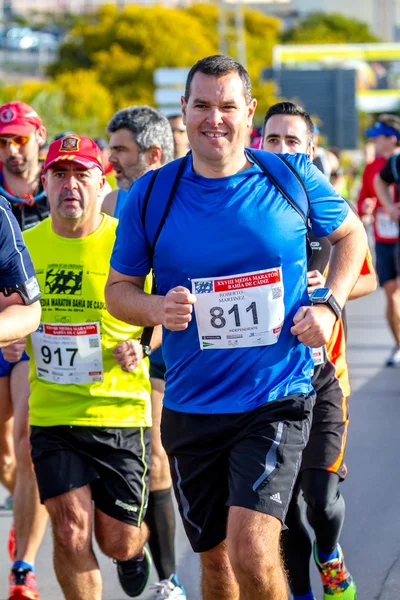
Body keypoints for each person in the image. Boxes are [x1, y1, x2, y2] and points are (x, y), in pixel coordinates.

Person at [105, 55, 367, 600]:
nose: (214, 119)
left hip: (275, 396)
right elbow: (118, 292)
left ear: (248, 112)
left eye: (227, 106)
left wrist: (329, 307)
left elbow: (352, 237)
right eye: (202, 105)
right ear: (184, 109)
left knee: (252, 546)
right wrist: (156, 310)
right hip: (193, 404)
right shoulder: (152, 196)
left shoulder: (289, 176)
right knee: (219, 566)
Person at [4, 135, 156, 600]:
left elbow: (161, 311)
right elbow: (11, 308)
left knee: (117, 538)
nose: (70, 185)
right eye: (60, 174)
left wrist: (143, 346)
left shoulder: (126, 240)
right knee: (70, 533)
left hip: (119, 413)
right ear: (45, 184)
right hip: (54, 414)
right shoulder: (25, 243)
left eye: (82, 174)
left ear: (101, 181)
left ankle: (135, 551)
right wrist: (12, 343)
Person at [262, 101, 377, 600]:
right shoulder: (250, 207)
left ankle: (329, 554)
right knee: (281, 510)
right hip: (266, 377)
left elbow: (367, 281)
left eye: (293, 142)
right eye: (273, 141)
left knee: (320, 500)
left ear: (311, 151)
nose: (283, 150)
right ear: (257, 144)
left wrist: (327, 289)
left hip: (326, 376)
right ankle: (303, 595)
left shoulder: (328, 210)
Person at [102, 106, 185, 599]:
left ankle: (168, 573)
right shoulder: (110, 202)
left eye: (121, 150)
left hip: (178, 344)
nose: (112, 158)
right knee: (132, 457)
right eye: (110, 148)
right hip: (119, 348)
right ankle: (146, 560)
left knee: (165, 458)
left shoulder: (181, 196)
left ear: (153, 153)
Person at [0, 100, 50, 582]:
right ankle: (24, 512)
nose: (13, 151)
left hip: (38, 335)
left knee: (27, 436)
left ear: (39, 136)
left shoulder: (61, 186)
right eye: (3, 143)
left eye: (20, 139)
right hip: (3, 330)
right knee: (4, 452)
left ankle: (25, 561)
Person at [357, 115, 400, 366]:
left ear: (392, 138)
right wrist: (371, 206)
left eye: (379, 136)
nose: (374, 141)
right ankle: (397, 344)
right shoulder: (374, 168)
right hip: (384, 239)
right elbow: (365, 197)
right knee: (392, 293)